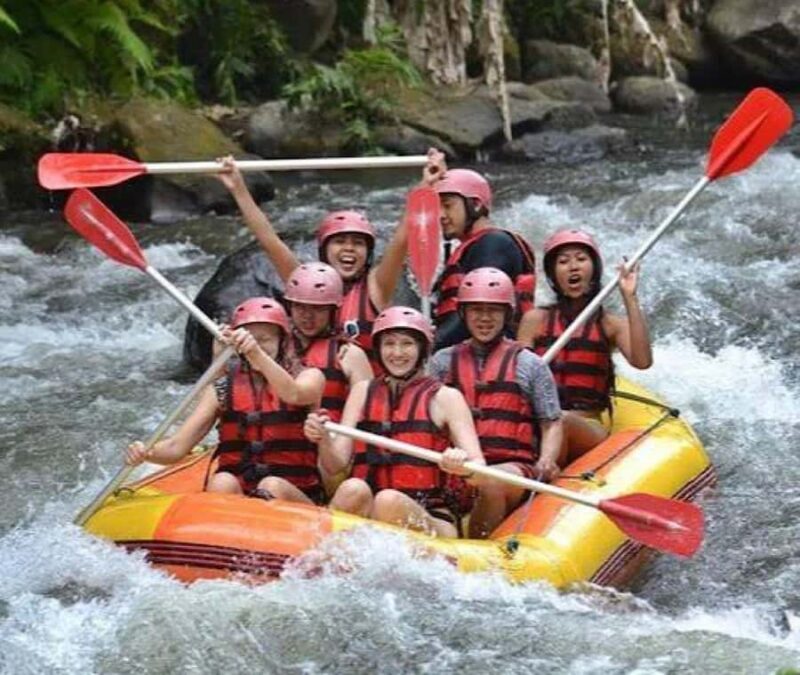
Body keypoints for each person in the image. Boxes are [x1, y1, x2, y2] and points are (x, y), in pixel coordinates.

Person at [217, 149, 446, 365]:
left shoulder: (376, 286)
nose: (349, 249)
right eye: (339, 242)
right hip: (311, 396)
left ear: (367, 254)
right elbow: (269, 241)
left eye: (357, 243)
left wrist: (426, 185)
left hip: (362, 395)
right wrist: (238, 188)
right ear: (324, 250)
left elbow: (401, 239)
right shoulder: (303, 281)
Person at [303, 306, 486, 538]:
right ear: (378, 349)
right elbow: (334, 465)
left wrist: (463, 465)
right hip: (373, 513)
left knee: (387, 501)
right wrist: (323, 440)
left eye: (407, 344)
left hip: (431, 517)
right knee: (353, 489)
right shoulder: (362, 392)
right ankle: (312, 560)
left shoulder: (446, 397)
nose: (397, 353)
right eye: (389, 343)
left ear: (422, 349)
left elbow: (480, 473)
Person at [125, 297, 327, 504]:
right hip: (241, 499)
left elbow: (294, 394)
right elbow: (176, 448)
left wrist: (256, 353)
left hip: (295, 497)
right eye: (249, 339)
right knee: (222, 482)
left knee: (271, 485)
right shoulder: (222, 389)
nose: (254, 345)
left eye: (264, 339)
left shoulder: (309, 376)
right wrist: (146, 452)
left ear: (282, 342)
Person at [429, 267, 563, 538]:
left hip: (512, 470)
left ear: (507, 314)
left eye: (494, 310)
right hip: (455, 466)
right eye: (477, 310)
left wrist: (547, 459)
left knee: (490, 481)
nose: (485, 318)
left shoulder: (530, 364)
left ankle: (477, 548)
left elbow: (551, 422)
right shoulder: (442, 362)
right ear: (464, 313)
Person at [517, 229, 652, 462]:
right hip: (539, 423)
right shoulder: (535, 320)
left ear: (594, 270)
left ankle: (543, 480)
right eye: (563, 261)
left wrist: (629, 297)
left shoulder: (609, 324)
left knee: (562, 420)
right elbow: (516, 378)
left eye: (581, 259)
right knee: (548, 422)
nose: (573, 267)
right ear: (553, 275)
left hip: (587, 426)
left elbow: (642, 361)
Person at [430, 166, 537, 352]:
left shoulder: (494, 244)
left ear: (476, 205)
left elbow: (478, 311)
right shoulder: (472, 248)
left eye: (447, 205)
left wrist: (428, 348)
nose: (440, 215)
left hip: (493, 361)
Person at [283, 262, 373, 423]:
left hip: (329, 442)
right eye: (300, 307)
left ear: (333, 311)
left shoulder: (349, 354)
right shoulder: (275, 347)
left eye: (318, 309)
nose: (307, 316)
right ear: (290, 307)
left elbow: (369, 414)